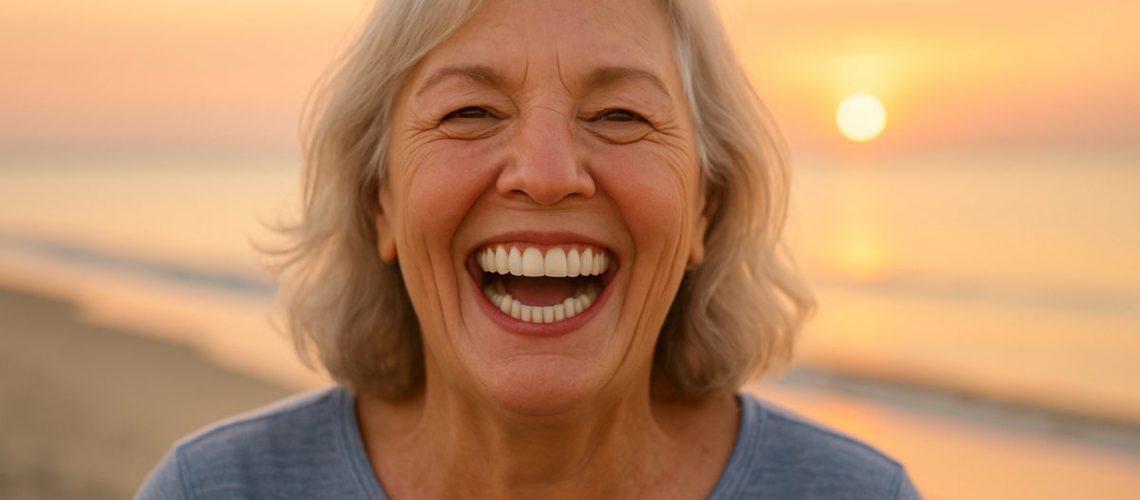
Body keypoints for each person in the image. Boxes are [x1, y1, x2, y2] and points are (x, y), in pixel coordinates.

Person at [138, 0, 920, 498]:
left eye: (618, 115)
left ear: (703, 210)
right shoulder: (214, 491)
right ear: (381, 201)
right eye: (471, 111)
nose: (546, 176)